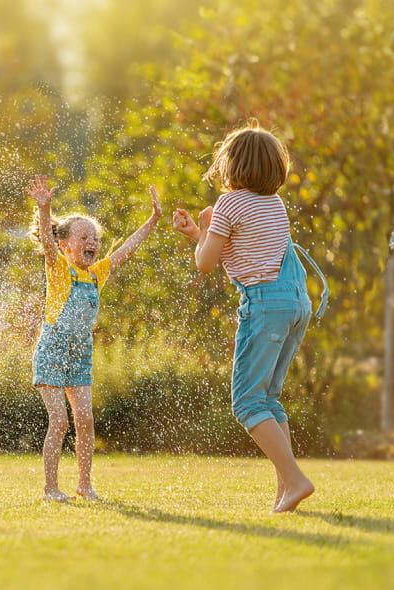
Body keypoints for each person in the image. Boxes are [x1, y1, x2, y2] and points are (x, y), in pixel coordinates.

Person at [171, 124, 328, 513]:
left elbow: (206, 263)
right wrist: (201, 232)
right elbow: (242, 251)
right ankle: (285, 491)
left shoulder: (228, 204)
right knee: (268, 398)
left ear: (231, 164)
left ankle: (295, 480)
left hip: (264, 307)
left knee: (246, 402)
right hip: (295, 303)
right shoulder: (273, 204)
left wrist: (205, 229)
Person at [25, 174, 162, 502]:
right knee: (59, 422)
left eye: (95, 237)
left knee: (84, 420)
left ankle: (84, 485)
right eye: (84, 236)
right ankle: (50, 489)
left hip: (80, 354)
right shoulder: (58, 268)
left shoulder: (97, 273)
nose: (93, 242)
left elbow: (127, 248)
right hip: (53, 351)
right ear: (66, 245)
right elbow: (46, 241)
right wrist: (45, 209)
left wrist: (153, 219)